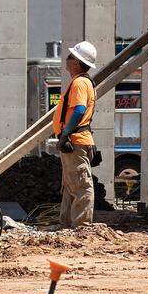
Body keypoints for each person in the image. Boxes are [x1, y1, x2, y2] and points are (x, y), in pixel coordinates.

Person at [53, 40, 98, 227]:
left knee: (80, 185)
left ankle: (81, 226)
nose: (67, 58)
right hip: (77, 139)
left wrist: (65, 134)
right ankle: (67, 225)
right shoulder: (81, 81)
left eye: (71, 56)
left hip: (75, 140)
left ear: (77, 62)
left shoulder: (79, 82)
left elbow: (79, 110)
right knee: (71, 185)